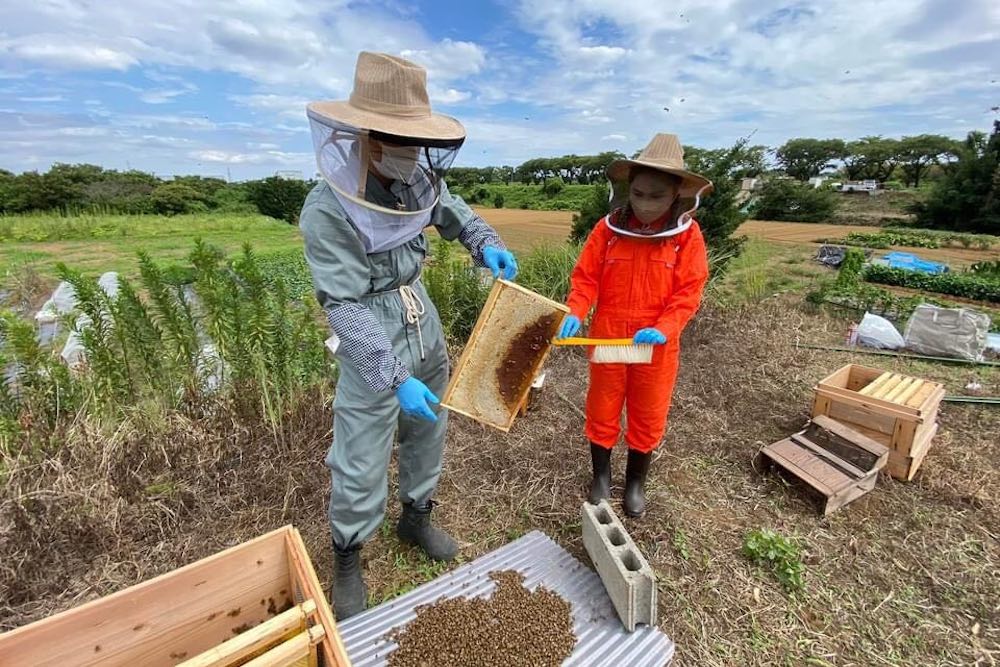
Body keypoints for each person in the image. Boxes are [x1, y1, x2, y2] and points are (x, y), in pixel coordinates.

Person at [300, 51, 518, 619]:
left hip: (423, 318)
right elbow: (342, 304)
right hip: (369, 331)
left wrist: (483, 241)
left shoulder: (416, 178)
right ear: (366, 135)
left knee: (430, 424)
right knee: (361, 449)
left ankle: (416, 516)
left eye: (412, 137)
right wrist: (390, 376)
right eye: (396, 137)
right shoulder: (327, 206)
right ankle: (348, 555)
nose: (406, 148)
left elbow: (454, 211)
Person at [556, 133, 711, 518]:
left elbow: (689, 290)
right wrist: (575, 311)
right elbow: (586, 279)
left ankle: (637, 482)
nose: (644, 204)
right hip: (609, 335)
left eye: (655, 196)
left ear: (676, 195)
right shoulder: (607, 230)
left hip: (654, 343)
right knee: (603, 406)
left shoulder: (687, 237)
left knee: (648, 410)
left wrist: (666, 326)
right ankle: (602, 477)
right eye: (639, 194)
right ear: (627, 190)